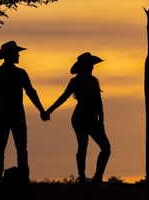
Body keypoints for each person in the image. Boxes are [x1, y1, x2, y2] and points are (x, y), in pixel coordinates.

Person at [0, 40, 48, 183]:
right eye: (16, 54)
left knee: (4, 147)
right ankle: (17, 178)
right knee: (15, 147)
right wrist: (41, 110)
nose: (18, 56)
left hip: (6, 113)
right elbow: (30, 92)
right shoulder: (17, 73)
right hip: (13, 113)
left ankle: (1, 179)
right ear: (10, 55)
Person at [45, 52, 111, 184]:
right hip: (81, 118)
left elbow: (99, 103)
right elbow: (64, 97)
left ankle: (96, 177)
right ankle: (83, 178)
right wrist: (49, 110)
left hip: (89, 118)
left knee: (105, 148)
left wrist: (101, 121)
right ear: (85, 67)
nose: (92, 68)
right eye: (90, 65)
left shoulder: (92, 82)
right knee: (84, 147)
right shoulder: (77, 82)